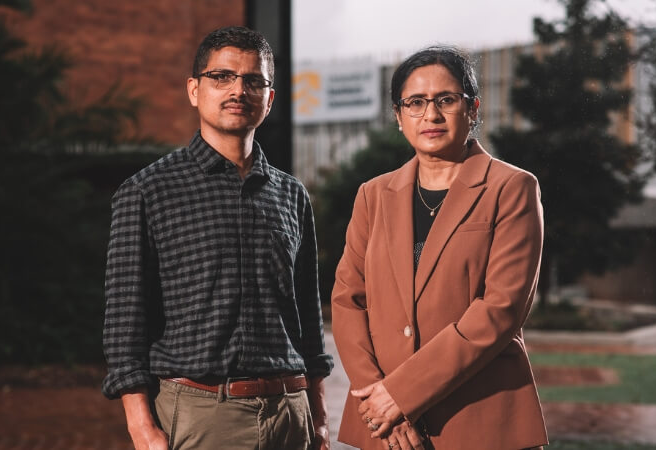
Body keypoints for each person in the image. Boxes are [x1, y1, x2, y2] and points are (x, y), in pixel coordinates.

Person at [102, 26, 333, 450]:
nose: (238, 90)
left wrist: (317, 416)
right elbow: (123, 323)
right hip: (201, 414)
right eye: (222, 76)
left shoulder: (292, 194)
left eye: (253, 80)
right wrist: (141, 427)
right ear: (194, 89)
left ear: (270, 97)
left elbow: (307, 318)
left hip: (290, 414)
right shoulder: (147, 192)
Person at [331, 46, 548, 450]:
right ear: (398, 117)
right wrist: (377, 397)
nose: (430, 115)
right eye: (414, 103)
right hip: (388, 429)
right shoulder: (373, 195)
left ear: (473, 108)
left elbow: (500, 310)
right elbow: (347, 300)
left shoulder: (512, 188)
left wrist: (401, 394)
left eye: (446, 100)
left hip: (481, 422)